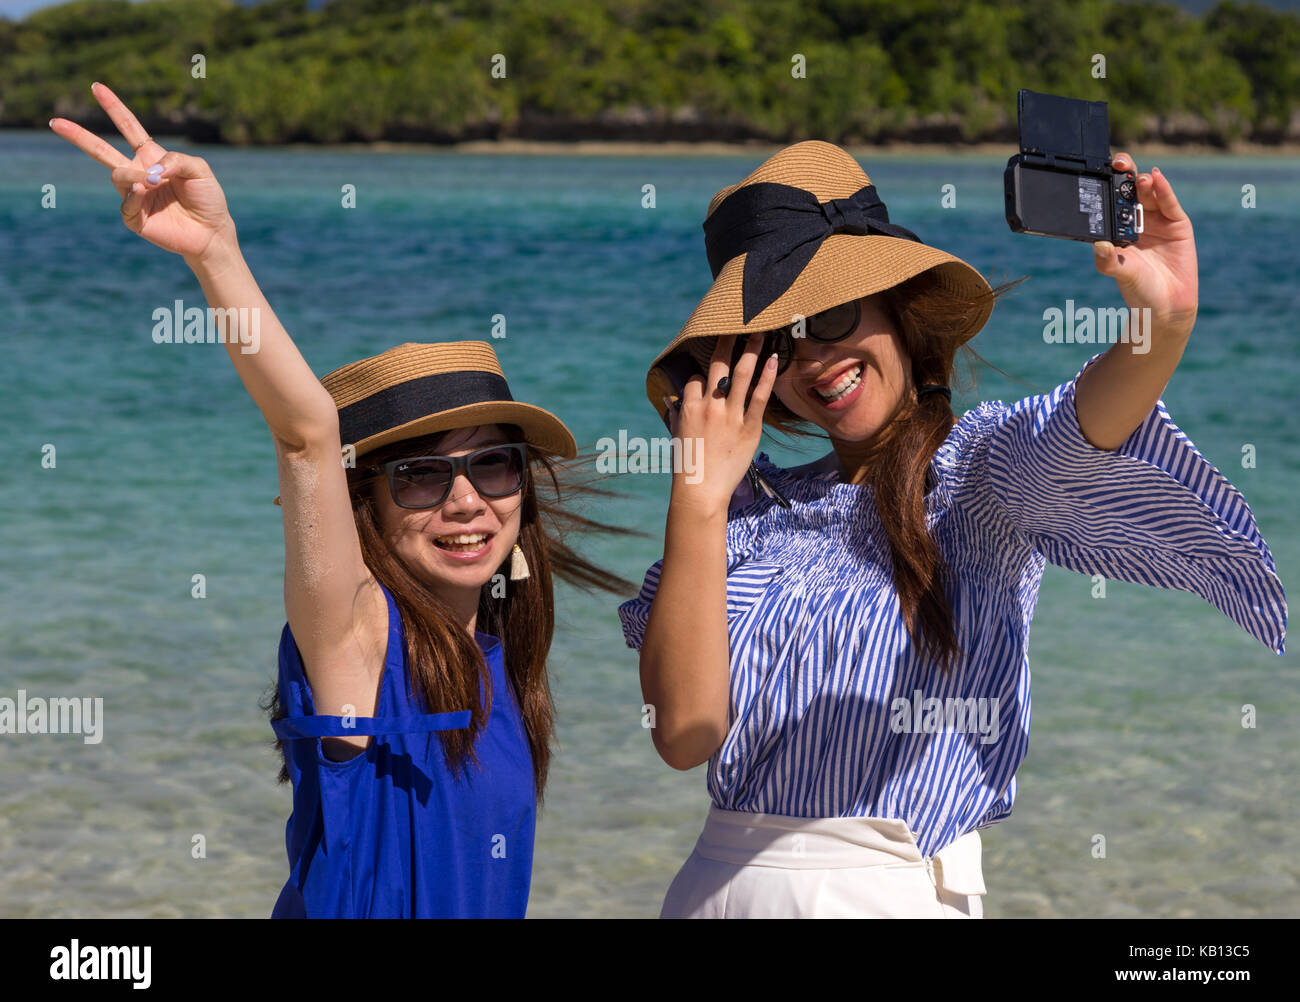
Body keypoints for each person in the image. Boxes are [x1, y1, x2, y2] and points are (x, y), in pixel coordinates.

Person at [618, 140, 1287, 918]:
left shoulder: (978, 476)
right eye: (779, 340)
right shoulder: (741, 515)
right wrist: (697, 500)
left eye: (829, 312)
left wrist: (1161, 326)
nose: (815, 357)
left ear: (897, 303)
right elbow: (685, 731)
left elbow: (1078, 430)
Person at [52, 82, 637, 918]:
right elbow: (304, 433)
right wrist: (216, 253)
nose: (467, 499)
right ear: (366, 501)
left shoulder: (507, 663)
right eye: (422, 475)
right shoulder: (359, 640)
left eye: (495, 466)